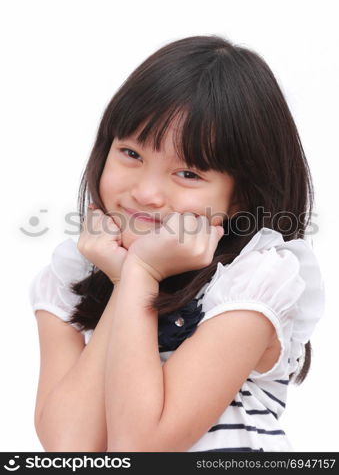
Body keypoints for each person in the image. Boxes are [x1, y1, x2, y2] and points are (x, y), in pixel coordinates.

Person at [29, 35, 325, 452]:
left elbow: (142, 448)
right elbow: (69, 449)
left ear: (240, 196)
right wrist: (125, 281)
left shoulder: (254, 281)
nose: (147, 193)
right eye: (131, 153)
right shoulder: (72, 275)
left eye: (188, 173)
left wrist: (142, 274)